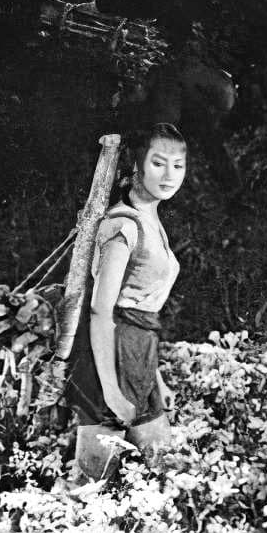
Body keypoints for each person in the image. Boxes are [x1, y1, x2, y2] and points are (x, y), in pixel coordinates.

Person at [64, 123, 186, 486]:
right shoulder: (123, 226)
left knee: (163, 471)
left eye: (178, 165)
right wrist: (112, 392)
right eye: (158, 163)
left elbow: (143, 319)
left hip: (138, 357)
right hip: (110, 356)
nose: (169, 175)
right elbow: (102, 310)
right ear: (136, 165)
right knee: (92, 483)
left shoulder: (151, 220)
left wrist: (155, 381)